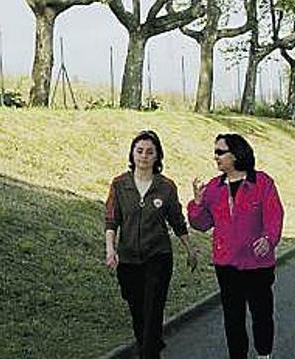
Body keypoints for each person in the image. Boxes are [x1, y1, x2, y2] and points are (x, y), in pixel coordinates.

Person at [188, 133, 284, 359]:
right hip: (227, 264)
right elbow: (201, 224)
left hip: (257, 264)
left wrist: (268, 239)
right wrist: (198, 203)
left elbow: (274, 216)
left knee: (261, 314)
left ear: (237, 154)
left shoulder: (262, 182)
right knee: (233, 317)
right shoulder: (213, 187)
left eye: (220, 152)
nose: (216, 157)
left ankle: (264, 354)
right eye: (215, 152)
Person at [105, 130, 198, 359]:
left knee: (153, 308)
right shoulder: (119, 184)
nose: (144, 156)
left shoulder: (166, 187)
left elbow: (177, 221)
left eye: (149, 152)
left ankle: (149, 354)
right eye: (139, 151)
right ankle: (151, 347)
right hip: (128, 259)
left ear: (157, 157)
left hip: (158, 257)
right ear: (132, 154)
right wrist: (111, 249)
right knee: (137, 310)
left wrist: (189, 249)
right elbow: (111, 219)